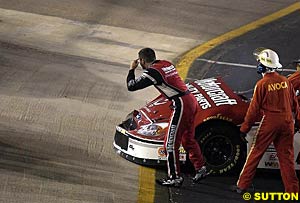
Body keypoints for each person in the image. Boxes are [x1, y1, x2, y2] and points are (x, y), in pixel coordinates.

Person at [127, 47, 207, 187]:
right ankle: (201, 168)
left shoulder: (151, 72)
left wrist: (131, 69)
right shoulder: (166, 63)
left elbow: (131, 86)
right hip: (191, 100)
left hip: (181, 104)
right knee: (187, 139)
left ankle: (175, 177)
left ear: (142, 61)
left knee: (170, 143)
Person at [232, 48, 300, 193]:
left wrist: (244, 129)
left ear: (263, 66)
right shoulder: (285, 81)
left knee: (256, 152)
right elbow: (295, 104)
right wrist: (298, 121)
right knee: (286, 159)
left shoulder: (262, 84)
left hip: (270, 122)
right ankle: (293, 191)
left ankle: (242, 185)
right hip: (288, 122)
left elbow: (253, 110)